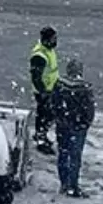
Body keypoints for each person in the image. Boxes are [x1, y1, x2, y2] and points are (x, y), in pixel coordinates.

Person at [54, 58, 95, 198]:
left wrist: (59, 119)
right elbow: (89, 110)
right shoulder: (85, 87)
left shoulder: (59, 84)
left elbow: (54, 103)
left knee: (63, 153)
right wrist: (85, 123)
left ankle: (64, 183)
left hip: (62, 125)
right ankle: (73, 185)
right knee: (75, 156)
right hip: (77, 127)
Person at [29, 26, 59, 155]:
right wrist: (43, 92)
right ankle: (41, 138)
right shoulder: (40, 56)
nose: (55, 41)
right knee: (45, 115)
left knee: (46, 114)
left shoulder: (48, 50)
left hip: (50, 88)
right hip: (44, 90)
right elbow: (36, 77)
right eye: (53, 38)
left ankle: (41, 135)